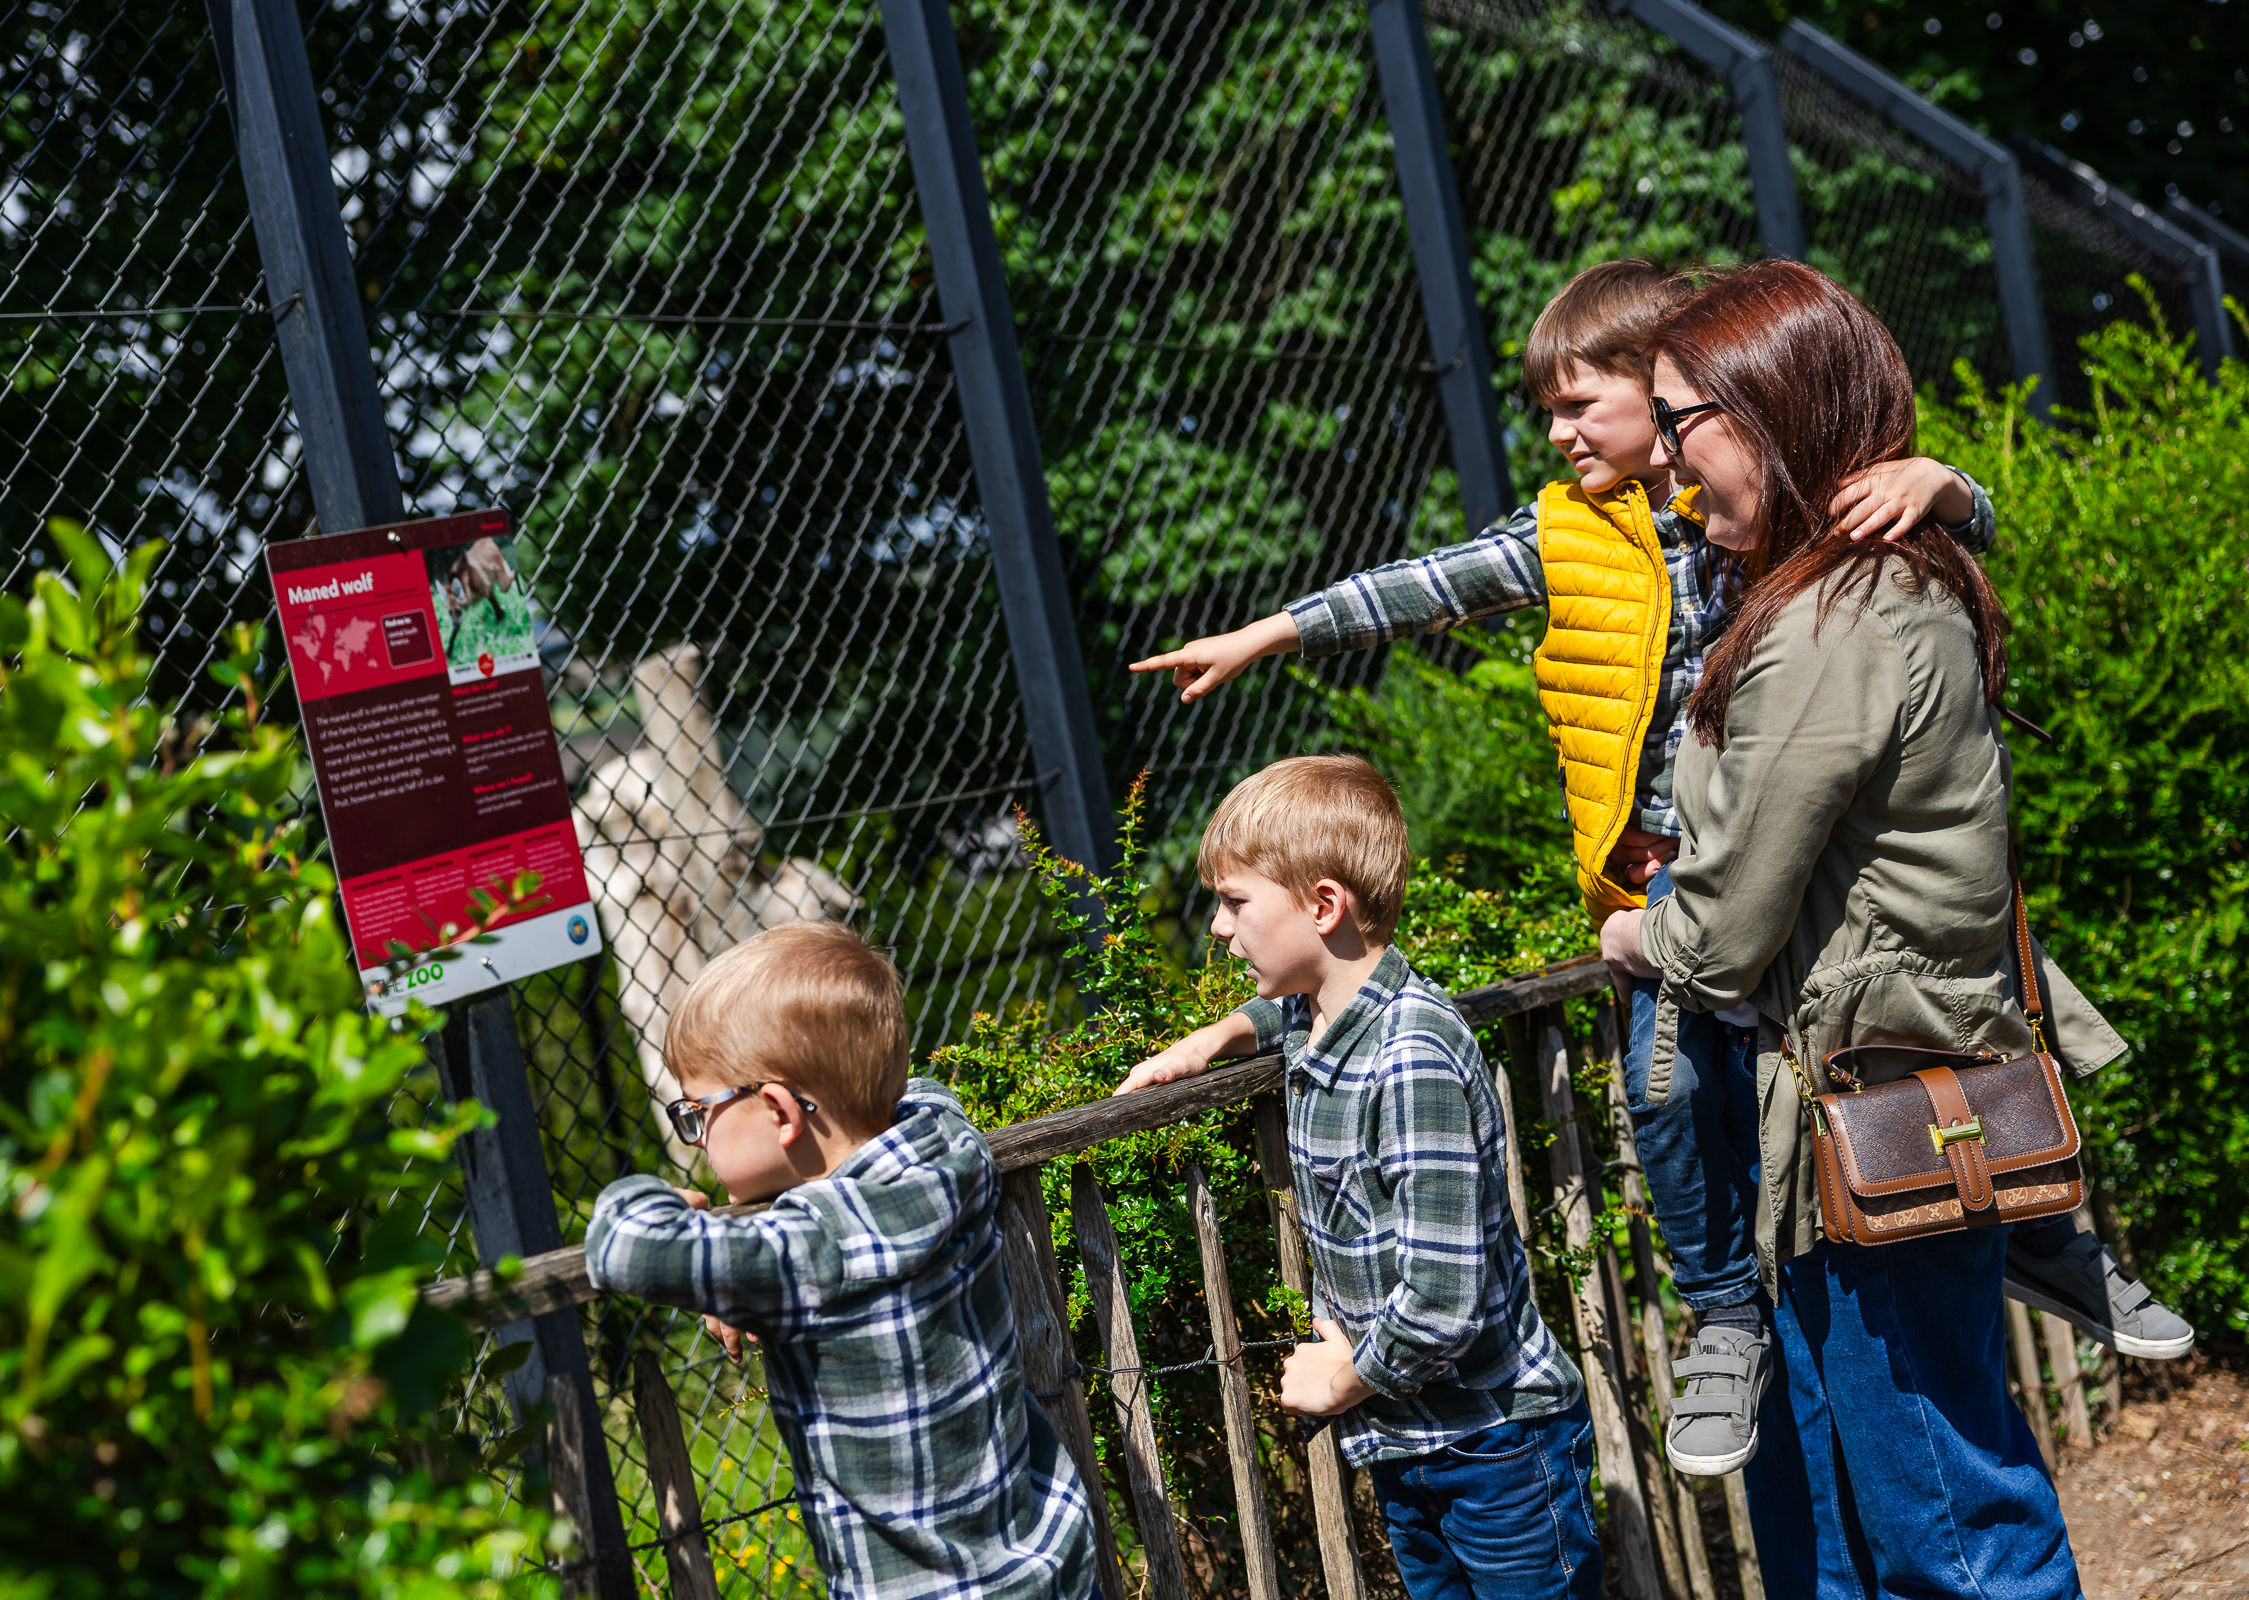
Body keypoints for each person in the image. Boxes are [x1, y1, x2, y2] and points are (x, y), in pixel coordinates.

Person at [1125, 259, 2116, 1479]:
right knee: (1669, 1098)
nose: (1556, 429)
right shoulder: (1569, 533)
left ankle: (2047, 1213)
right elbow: (1418, 587)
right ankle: (1723, 1315)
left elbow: (1928, 522)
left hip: (1790, 875)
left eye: (1583, 401)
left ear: (1671, 400)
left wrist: (1950, 484)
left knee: (1939, 990)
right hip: (1665, 889)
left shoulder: (1769, 511)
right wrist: (1269, 632)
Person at [1595, 258, 2129, 1597]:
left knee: (1951, 1530)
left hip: (1872, 1104)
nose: (1664, 463)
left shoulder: (1835, 619)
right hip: (1866, 1101)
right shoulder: (1862, 581)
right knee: (1896, 1525)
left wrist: (1638, 940)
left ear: (1765, 412)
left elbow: (1718, 938)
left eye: (1678, 422)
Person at [1120, 755, 1599, 1600]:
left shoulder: (1409, 1057)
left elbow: (1443, 1301)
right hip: (1412, 1438)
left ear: (1325, 904)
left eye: (1236, 903)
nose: (1220, 929)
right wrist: (1215, 1037)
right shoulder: (1323, 1018)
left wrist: (1341, 1381)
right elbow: (1289, 1009)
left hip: (1495, 1450)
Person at [583, 921, 1101, 1600]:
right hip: (1049, 1566)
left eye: (696, 1114)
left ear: (778, 1111)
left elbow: (623, 1245)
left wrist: (657, 1198)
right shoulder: (952, 1147)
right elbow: (926, 1090)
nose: (696, 1138)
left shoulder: (804, 1251)